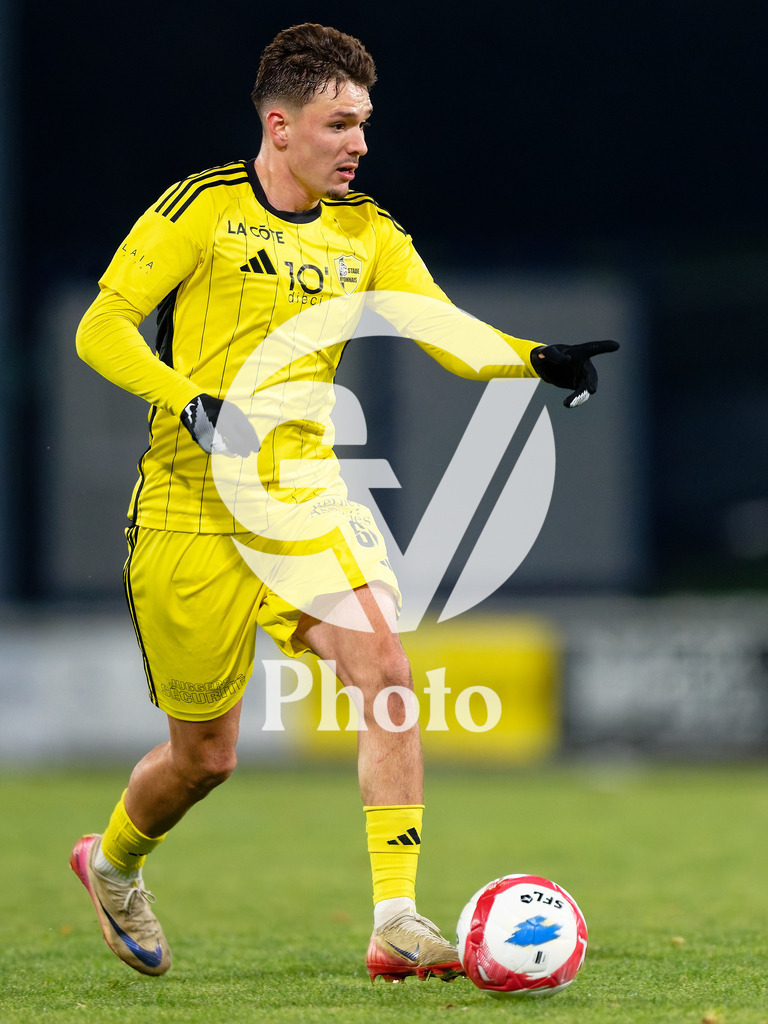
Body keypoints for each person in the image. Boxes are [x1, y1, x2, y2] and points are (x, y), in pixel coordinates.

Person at [70, 22, 618, 984]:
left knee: (387, 667)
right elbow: (100, 326)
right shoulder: (200, 211)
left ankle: (395, 919)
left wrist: (533, 358)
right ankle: (112, 863)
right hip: (188, 512)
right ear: (280, 125)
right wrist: (181, 397)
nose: (359, 143)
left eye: (365, 123)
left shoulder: (368, 233)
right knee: (204, 760)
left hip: (305, 499)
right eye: (339, 124)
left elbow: (442, 326)